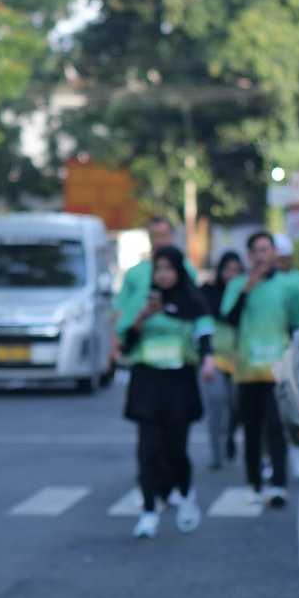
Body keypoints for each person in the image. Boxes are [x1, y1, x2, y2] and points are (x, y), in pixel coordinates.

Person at [219, 228, 299, 508]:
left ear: (274, 253)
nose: (261, 256)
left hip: (277, 369)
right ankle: (253, 483)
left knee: (276, 426)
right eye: (256, 251)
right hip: (247, 370)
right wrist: (247, 288)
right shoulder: (237, 285)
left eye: (266, 250)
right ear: (249, 256)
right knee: (251, 429)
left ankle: (278, 484)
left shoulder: (286, 286)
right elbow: (229, 319)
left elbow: (297, 324)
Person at [121, 244, 211, 539]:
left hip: (179, 383)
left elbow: (204, 336)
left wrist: (208, 360)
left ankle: (184, 493)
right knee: (147, 449)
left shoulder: (192, 302)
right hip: (147, 382)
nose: (163, 275)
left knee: (175, 450)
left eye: (168, 269)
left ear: (179, 271)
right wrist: (141, 318)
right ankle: (149, 511)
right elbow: (126, 344)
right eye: (158, 269)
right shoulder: (143, 302)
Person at [199, 248, 243, 471]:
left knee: (235, 406)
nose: (231, 275)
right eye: (227, 270)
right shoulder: (207, 292)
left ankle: (230, 437)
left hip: (240, 359)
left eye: (236, 270)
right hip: (214, 357)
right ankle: (216, 453)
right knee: (216, 403)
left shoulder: (245, 292)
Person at [113, 213, 178, 351]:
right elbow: (119, 310)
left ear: (172, 236)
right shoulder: (134, 273)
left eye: (163, 235)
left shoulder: (187, 271)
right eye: (155, 236)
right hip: (140, 350)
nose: (159, 241)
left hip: (179, 354)